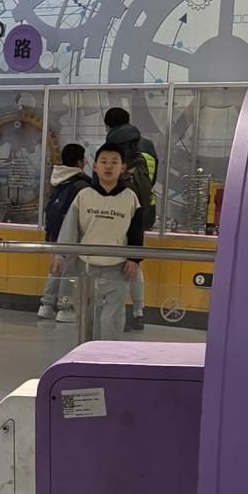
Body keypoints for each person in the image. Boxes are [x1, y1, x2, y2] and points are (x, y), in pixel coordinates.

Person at [50, 143, 142, 341]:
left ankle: (108, 356)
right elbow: (70, 228)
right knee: (87, 319)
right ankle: (88, 354)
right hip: (86, 269)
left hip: (118, 270)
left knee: (112, 319)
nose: (108, 166)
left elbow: (136, 232)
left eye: (114, 162)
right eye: (103, 161)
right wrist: (60, 255)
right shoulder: (84, 196)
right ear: (95, 166)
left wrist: (134, 259)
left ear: (122, 168)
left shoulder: (130, 198)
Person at [103, 107, 160, 331]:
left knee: (117, 264)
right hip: (144, 208)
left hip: (119, 210)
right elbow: (151, 180)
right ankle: (138, 311)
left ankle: (119, 312)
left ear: (108, 125)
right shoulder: (148, 145)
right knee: (134, 260)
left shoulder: (111, 146)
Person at [39, 143, 90, 324]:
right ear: (79, 162)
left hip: (54, 233)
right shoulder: (81, 184)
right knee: (69, 272)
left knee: (55, 269)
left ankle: (46, 305)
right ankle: (65, 307)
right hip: (71, 236)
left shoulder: (57, 179)